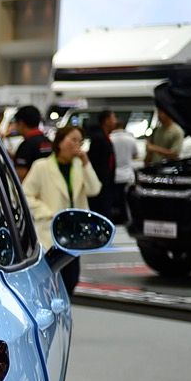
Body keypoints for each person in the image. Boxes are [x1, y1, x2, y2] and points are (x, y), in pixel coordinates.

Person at [22, 124, 101, 293]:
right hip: (50, 230)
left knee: (71, 280)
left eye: (80, 141)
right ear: (60, 142)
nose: (76, 145)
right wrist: (46, 213)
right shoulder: (41, 166)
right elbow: (26, 195)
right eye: (73, 140)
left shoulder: (79, 166)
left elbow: (94, 189)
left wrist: (86, 163)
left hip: (74, 234)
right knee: (51, 280)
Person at [86, 110, 118, 220]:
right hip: (100, 184)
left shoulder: (105, 137)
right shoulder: (98, 138)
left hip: (106, 183)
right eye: (113, 118)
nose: (115, 121)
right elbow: (96, 163)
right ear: (106, 121)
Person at [10, 105, 51, 181]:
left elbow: (21, 175)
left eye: (16, 123)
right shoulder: (48, 142)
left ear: (21, 123)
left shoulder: (26, 146)